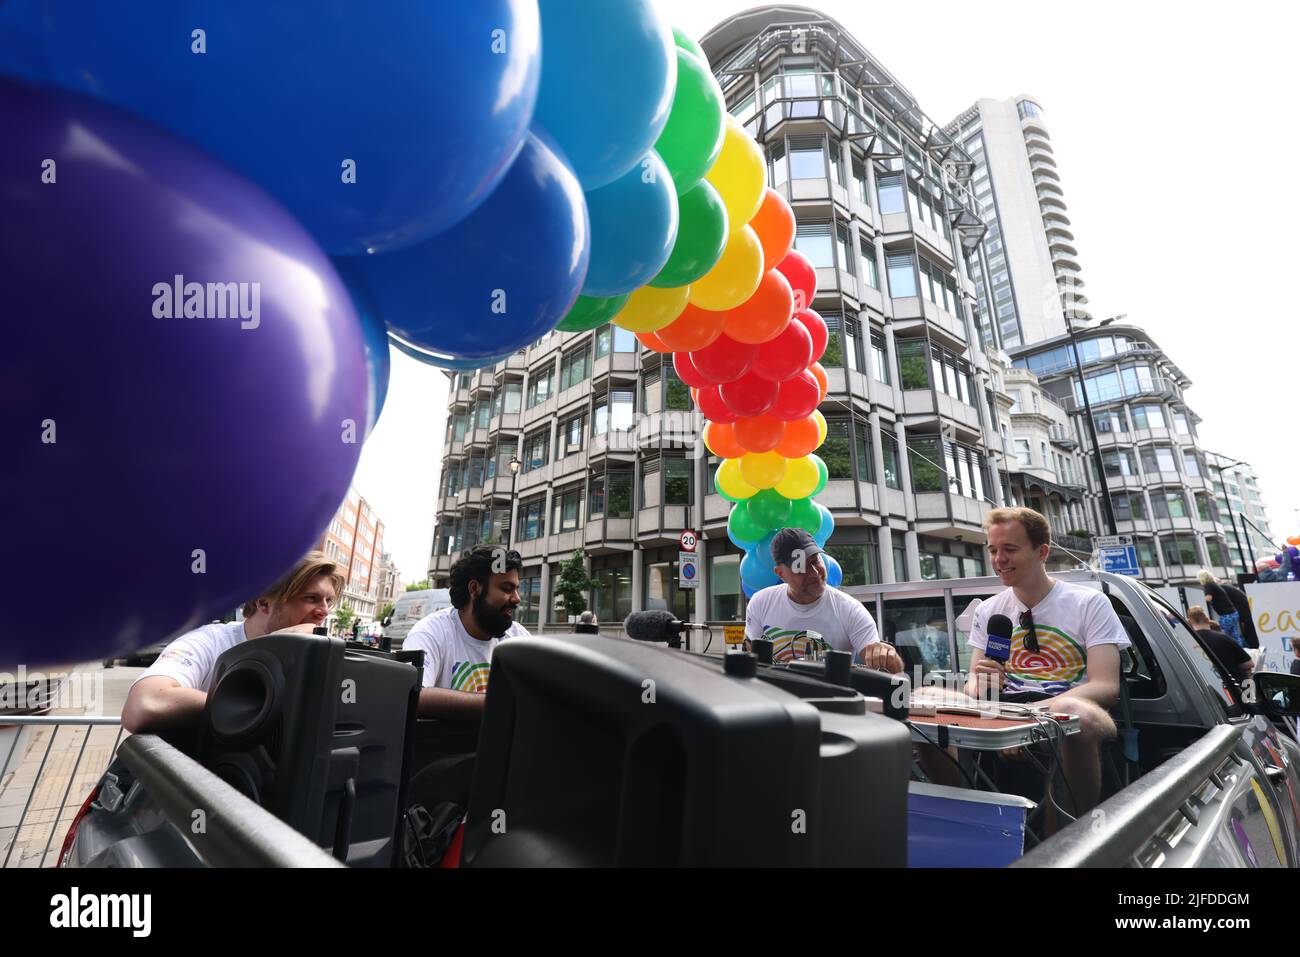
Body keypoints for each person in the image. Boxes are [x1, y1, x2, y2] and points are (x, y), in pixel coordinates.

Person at [965, 507, 1131, 817]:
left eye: (1010, 550)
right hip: (1006, 711)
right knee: (923, 700)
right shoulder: (988, 611)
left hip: (1071, 710)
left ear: (1042, 551)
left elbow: (1106, 686)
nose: (999, 560)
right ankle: (963, 819)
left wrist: (1032, 714)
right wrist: (981, 681)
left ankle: (1068, 844)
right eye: (993, 550)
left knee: (1071, 712)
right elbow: (973, 683)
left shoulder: (1089, 603)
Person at [122, 551, 344, 734]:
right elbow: (143, 704)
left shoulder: (320, 658)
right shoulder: (209, 641)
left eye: (328, 600)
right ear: (264, 603)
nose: (323, 611)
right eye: (310, 598)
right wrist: (261, 708)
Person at [744, 528, 903, 673]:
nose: (814, 573)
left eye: (815, 561)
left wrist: (887, 656)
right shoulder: (761, 602)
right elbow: (750, 660)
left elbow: (891, 672)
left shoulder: (850, 610)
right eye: (801, 567)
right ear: (781, 574)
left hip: (830, 703)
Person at [402, 545, 531, 719]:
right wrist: (502, 703)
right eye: (507, 588)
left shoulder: (518, 636)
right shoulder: (431, 632)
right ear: (474, 589)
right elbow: (413, 695)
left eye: (517, 589)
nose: (517, 598)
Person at [1186, 605, 1253, 684]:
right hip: (1231, 687)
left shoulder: (1186, 642)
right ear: (1207, 620)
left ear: (1189, 622)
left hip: (1203, 688)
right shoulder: (1224, 638)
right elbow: (1249, 663)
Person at [1197, 570, 1257, 649]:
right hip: (1233, 613)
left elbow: (1208, 598)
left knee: (1226, 637)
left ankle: (1231, 652)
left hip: (1226, 615)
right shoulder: (1216, 585)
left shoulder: (1208, 585)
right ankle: (1244, 651)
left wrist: (1198, 604)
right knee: (1237, 636)